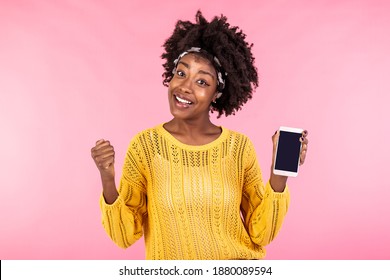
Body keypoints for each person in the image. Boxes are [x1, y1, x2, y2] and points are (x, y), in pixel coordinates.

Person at [91, 11, 309, 260]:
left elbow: (261, 234)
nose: (185, 86)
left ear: (217, 93)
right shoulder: (145, 146)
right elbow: (124, 237)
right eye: (181, 73)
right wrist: (108, 179)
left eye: (202, 82)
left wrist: (278, 176)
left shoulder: (238, 148)